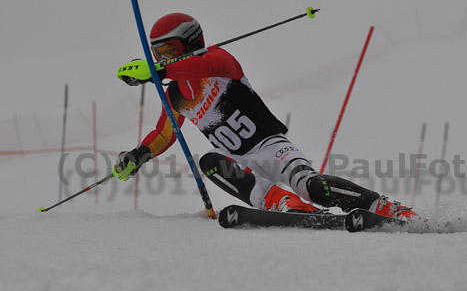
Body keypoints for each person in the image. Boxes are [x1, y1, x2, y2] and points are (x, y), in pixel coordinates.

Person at [115, 12, 416, 220]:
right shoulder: (175, 96)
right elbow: (165, 134)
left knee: (311, 186)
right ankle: (285, 204)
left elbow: (202, 67)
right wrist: (138, 154)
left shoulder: (219, 61)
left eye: (169, 51)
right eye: (158, 55)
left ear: (191, 42)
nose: (163, 60)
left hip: (270, 146)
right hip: (239, 162)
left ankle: (384, 207)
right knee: (210, 162)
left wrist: (159, 70)